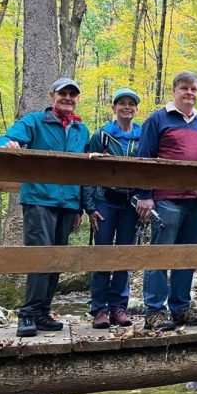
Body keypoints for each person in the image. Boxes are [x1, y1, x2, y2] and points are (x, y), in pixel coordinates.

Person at [0, 78, 89, 338]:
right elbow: (6, 138)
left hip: (69, 202)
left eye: (73, 94)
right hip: (39, 199)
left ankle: (42, 312)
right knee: (39, 257)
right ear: (52, 96)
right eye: (63, 93)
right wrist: (10, 145)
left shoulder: (81, 129)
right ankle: (27, 314)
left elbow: (86, 169)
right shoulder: (35, 121)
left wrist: (81, 206)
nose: (68, 98)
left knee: (57, 259)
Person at [135, 71, 197, 331]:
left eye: (194, 89)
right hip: (165, 198)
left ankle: (181, 308)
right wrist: (146, 195)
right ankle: (155, 311)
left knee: (187, 256)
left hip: (194, 200)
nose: (190, 93)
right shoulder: (158, 119)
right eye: (184, 88)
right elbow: (144, 158)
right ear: (174, 90)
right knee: (161, 255)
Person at [83, 87, 143, 329]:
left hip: (131, 205)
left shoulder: (143, 136)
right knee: (103, 254)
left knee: (125, 254)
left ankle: (119, 307)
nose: (126, 107)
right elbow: (89, 172)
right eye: (122, 103)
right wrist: (89, 206)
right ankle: (99, 309)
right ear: (114, 107)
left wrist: (146, 198)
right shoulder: (102, 135)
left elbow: (150, 169)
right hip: (104, 203)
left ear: (136, 108)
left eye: (131, 103)